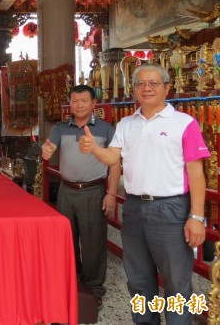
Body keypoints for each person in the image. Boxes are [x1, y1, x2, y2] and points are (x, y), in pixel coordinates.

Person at [79, 64, 209, 325]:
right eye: (141, 84)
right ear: (134, 89)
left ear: (166, 88)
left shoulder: (184, 123)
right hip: (135, 208)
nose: (147, 88)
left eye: (154, 83)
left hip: (171, 209)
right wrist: (94, 148)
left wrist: (197, 216)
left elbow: (196, 173)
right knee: (138, 280)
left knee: (176, 283)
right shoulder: (126, 124)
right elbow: (113, 157)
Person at [41, 84, 120, 309]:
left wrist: (112, 194)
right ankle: (72, 283)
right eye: (74, 101)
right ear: (70, 104)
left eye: (84, 101)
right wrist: (46, 151)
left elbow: (115, 163)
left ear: (94, 104)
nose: (79, 105)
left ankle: (94, 289)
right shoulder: (60, 128)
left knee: (93, 242)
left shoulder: (106, 129)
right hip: (66, 191)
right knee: (67, 240)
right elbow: (50, 146)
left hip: (93, 191)